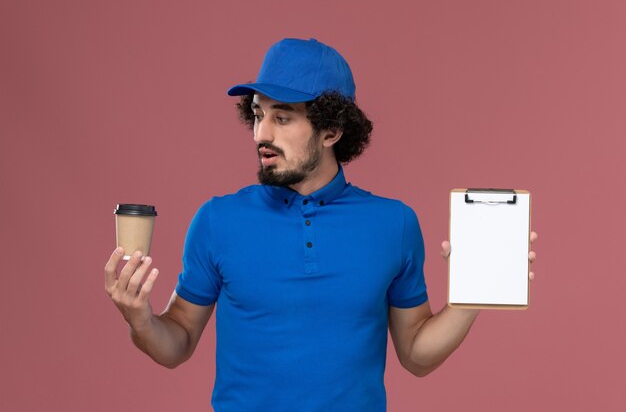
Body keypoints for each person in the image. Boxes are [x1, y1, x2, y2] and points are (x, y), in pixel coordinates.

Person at [104, 38, 538, 412]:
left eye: (282, 116)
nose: (260, 134)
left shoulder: (395, 224)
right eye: (257, 114)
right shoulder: (217, 220)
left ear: (331, 130)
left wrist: (472, 294)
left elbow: (416, 355)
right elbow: (177, 341)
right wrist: (140, 319)